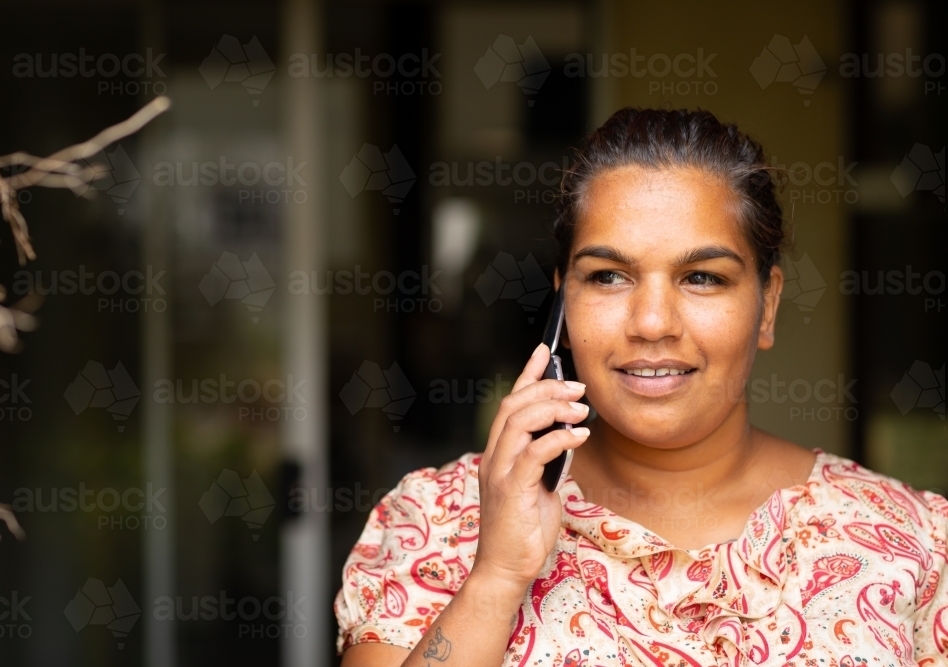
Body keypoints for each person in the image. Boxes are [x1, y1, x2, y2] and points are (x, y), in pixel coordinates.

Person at [334, 108, 948, 666]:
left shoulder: (915, 540)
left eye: (703, 277)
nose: (652, 323)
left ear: (767, 307)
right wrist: (496, 576)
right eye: (608, 277)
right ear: (562, 307)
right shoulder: (438, 519)